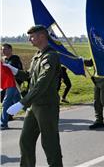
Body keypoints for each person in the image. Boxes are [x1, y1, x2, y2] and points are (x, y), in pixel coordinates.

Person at [4, 25, 63, 167]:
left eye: (32, 36)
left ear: (42, 36)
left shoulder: (51, 56)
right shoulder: (37, 56)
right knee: (25, 141)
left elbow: (42, 83)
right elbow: (30, 76)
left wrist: (22, 103)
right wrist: (14, 70)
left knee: (49, 143)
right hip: (34, 106)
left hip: (46, 106)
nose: (29, 39)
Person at [1, 62, 21, 130]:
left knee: (6, 102)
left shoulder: (3, 64)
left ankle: (3, 123)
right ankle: (33, 115)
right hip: (10, 84)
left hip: (10, 84)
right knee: (20, 102)